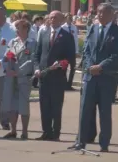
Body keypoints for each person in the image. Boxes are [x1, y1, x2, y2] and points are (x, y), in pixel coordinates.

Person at [74, 3, 118, 152]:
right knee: (85, 110)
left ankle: (104, 143)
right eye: (98, 12)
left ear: (111, 14)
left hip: (106, 78)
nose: (100, 15)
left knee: (104, 111)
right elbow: (87, 50)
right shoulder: (92, 28)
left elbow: (116, 55)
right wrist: (90, 66)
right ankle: (81, 141)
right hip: (90, 76)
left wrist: (100, 66)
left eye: (103, 12)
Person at [34, 10, 75, 141]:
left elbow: (70, 57)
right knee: (44, 106)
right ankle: (46, 131)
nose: (52, 20)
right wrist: (36, 69)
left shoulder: (67, 36)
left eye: (55, 17)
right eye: (50, 17)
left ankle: (55, 132)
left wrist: (63, 64)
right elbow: (37, 53)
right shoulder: (44, 33)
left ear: (62, 20)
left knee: (56, 106)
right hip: (44, 76)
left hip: (58, 77)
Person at [2, 20, 36, 139]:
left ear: (26, 29)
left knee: (23, 105)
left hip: (24, 78)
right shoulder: (13, 42)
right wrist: (7, 69)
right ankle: (13, 130)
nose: (16, 30)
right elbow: (5, 58)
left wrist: (19, 72)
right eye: (16, 28)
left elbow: (31, 61)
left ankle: (24, 132)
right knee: (12, 105)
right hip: (12, 78)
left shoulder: (32, 43)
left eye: (19, 28)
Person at [62, 13, 79, 90]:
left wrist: (76, 50)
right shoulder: (63, 27)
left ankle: (69, 84)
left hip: (72, 51)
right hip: (65, 51)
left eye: (71, 18)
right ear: (65, 19)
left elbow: (76, 39)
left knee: (73, 68)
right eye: (68, 18)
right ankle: (64, 84)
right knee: (64, 68)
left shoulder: (74, 27)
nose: (70, 19)